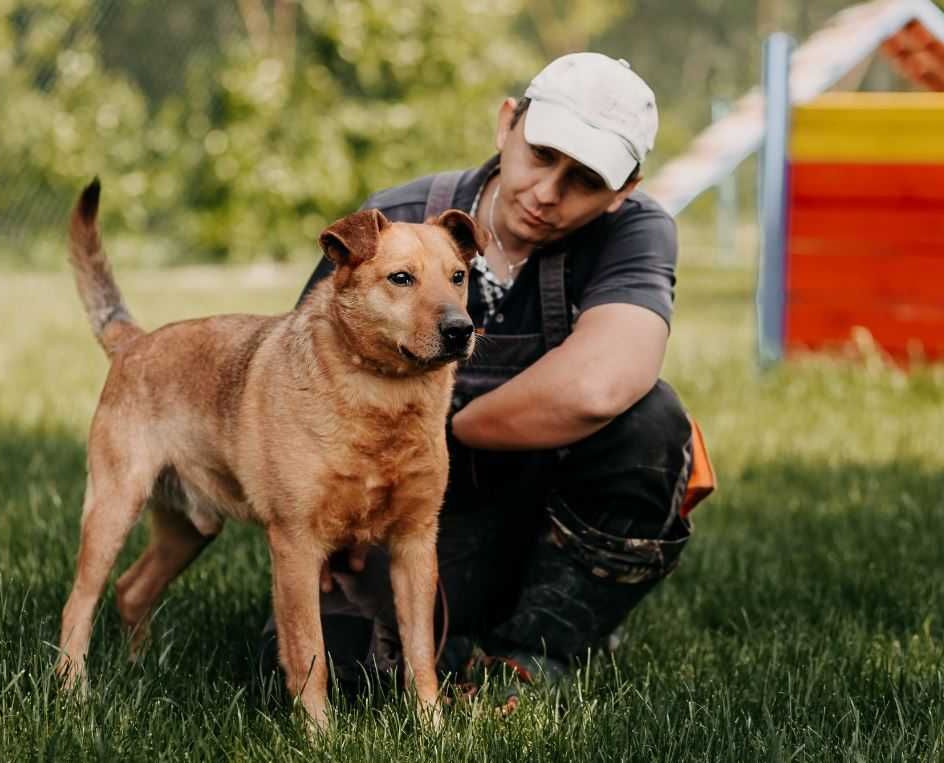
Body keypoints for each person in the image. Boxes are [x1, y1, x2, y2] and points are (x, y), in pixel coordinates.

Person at [263, 52, 710, 707]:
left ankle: (538, 650)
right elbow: (296, 392)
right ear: (507, 123)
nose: (547, 192)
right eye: (542, 155)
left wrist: (447, 428)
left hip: (548, 509)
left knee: (655, 423)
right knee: (335, 678)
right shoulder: (399, 220)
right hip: (401, 511)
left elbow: (603, 383)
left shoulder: (634, 233)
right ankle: (450, 630)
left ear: (626, 188)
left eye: (585, 179)